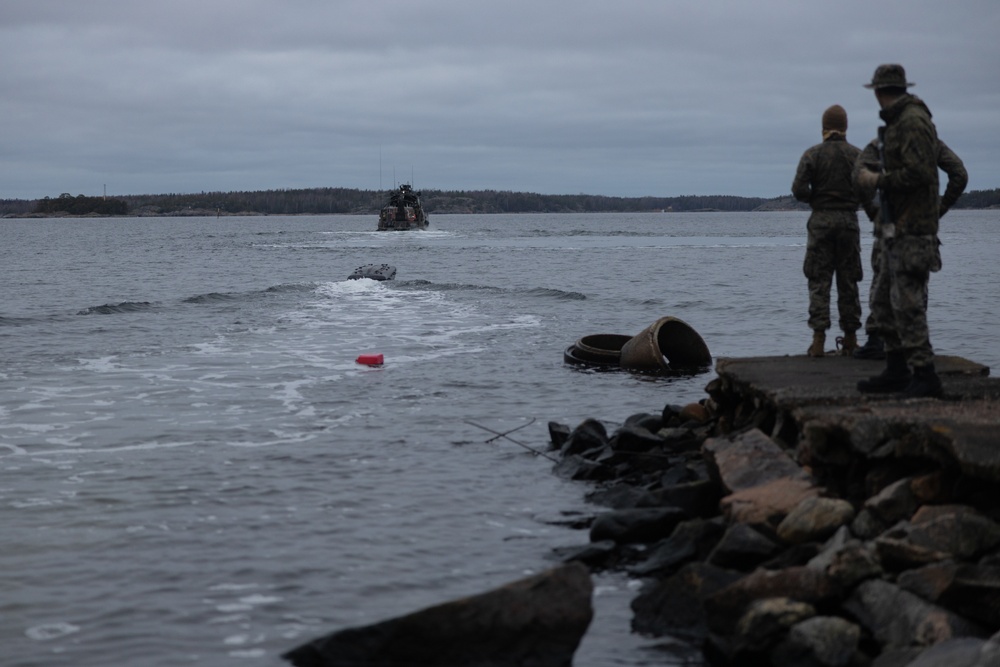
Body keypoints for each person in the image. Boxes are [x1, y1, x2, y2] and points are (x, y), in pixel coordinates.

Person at [855, 64, 949, 397]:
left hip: (913, 231)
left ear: (880, 92)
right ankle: (896, 370)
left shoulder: (912, 122)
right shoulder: (897, 124)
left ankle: (925, 375)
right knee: (884, 303)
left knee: (908, 305)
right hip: (897, 230)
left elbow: (921, 172)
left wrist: (877, 180)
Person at [853, 139, 968, 360]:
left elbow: (858, 176)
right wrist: (937, 211)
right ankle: (913, 348)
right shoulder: (931, 143)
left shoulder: (884, 140)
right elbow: (959, 174)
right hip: (920, 224)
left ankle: (877, 338)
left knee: (881, 279)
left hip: (889, 220)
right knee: (916, 284)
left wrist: (872, 212)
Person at [792, 104, 864, 357]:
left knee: (819, 281)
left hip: (821, 222)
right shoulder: (858, 155)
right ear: (845, 127)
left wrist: (816, 200)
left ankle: (819, 340)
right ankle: (852, 339)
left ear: (823, 127)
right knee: (849, 280)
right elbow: (870, 189)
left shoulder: (813, 155)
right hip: (848, 223)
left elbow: (798, 189)